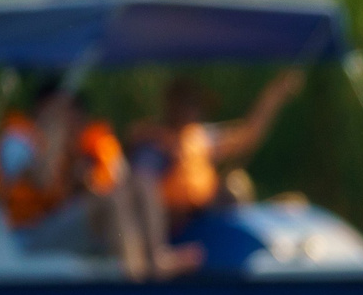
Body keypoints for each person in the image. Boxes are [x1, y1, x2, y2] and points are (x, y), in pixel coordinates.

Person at [0, 79, 191, 281]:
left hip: (69, 227)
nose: (74, 120)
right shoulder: (17, 140)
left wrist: (83, 178)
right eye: (66, 112)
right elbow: (41, 180)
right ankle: (135, 276)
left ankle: (156, 256)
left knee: (141, 183)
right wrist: (52, 132)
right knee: (111, 201)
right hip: (27, 237)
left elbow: (117, 181)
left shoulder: (81, 146)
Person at [128, 70, 304, 250]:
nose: (193, 110)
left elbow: (248, 135)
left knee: (236, 184)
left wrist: (274, 95)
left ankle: (268, 221)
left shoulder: (201, 137)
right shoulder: (151, 144)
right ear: (171, 105)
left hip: (201, 216)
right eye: (187, 103)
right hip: (165, 224)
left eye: (195, 104)